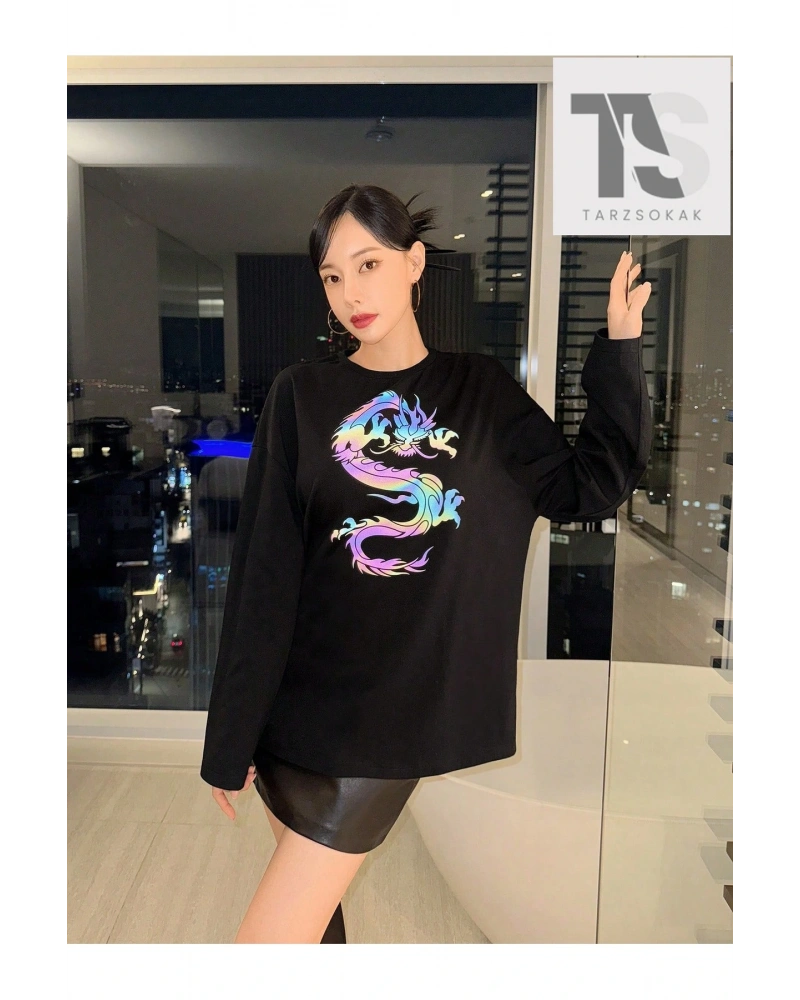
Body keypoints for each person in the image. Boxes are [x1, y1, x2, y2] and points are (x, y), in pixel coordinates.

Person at [199, 184, 653, 944]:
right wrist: (233, 735)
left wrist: (619, 346)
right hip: (295, 717)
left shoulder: (479, 393)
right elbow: (265, 575)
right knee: (313, 934)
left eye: (368, 265)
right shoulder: (301, 395)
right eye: (333, 276)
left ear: (413, 263)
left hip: (386, 721)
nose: (351, 293)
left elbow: (589, 485)